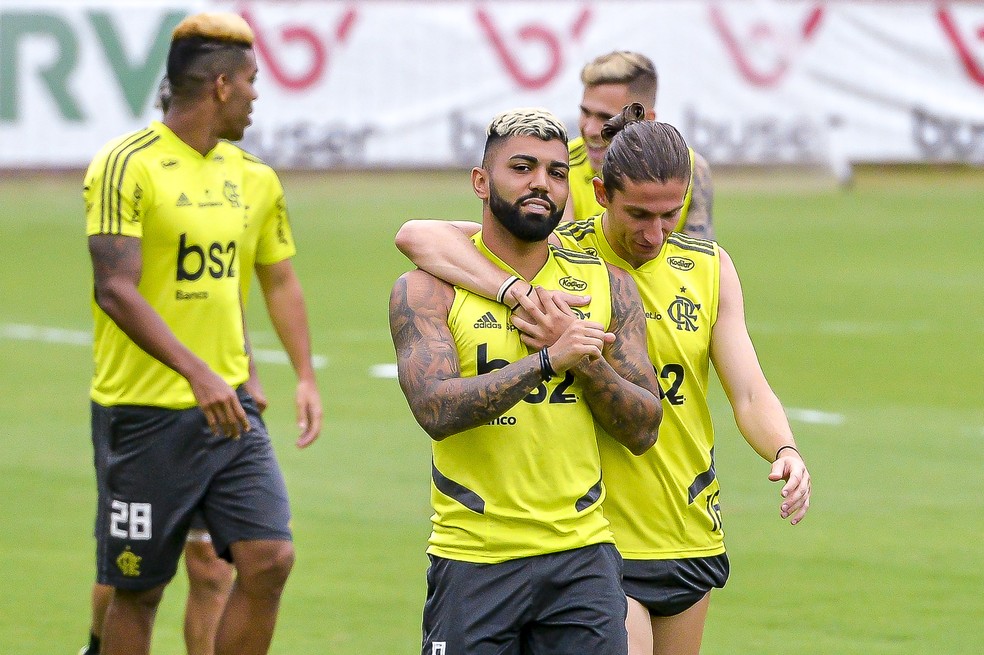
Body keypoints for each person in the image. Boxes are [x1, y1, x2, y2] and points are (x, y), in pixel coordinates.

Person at [394, 103, 812, 655]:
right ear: (603, 194)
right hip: (589, 533)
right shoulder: (563, 251)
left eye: (671, 214)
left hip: (682, 518)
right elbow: (419, 236)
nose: (656, 233)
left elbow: (747, 390)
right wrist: (520, 298)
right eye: (640, 214)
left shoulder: (705, 268)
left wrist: (783, 447)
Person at [389, 107, 664, 654]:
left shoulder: (605, 286)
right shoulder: (428, 289)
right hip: (475, 557)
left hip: (581, 558)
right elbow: (435, 412)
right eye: (522, 167)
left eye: (557, 173)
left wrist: (585, 362)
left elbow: (644, 428)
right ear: (481, 181)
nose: (542, 182)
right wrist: (545, 361)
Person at [79, 75, 323, 655]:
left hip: (228, 408)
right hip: (143, 415)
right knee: (137, 586)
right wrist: (197, 371)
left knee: (264, 560)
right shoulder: (125, 164)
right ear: (219, 87)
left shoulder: (256, 178)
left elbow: (268, 279)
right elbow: (115, 289)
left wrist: (300, 375)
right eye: (250, 83)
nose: (258, 96)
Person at [568, 51, 715, 240]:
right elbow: (562, 261)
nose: (590, 130)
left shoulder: (691, 168)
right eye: (585, 113)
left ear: (646, 119)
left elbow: (698, 259)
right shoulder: (559, 166)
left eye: (606, 118)